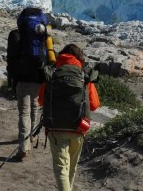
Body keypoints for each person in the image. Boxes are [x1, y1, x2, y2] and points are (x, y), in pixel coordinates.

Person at [38, 44, 100, 191]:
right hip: (79, 127)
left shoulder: (53, 74)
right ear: (79, 58)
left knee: (61, 169)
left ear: (61, 56)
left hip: (56, 127)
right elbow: (94, 105)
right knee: (71, 168)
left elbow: (41, 100)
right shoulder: (83, 75)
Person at [12, 7, 49, 161]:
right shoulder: (44, 35)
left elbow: (11, 58)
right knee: (34, 106)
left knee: (24, 113)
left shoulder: (16, 35)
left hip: (22, 78)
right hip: (39, 78)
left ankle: (23, 146)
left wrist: (12, 78)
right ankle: (32, 136)